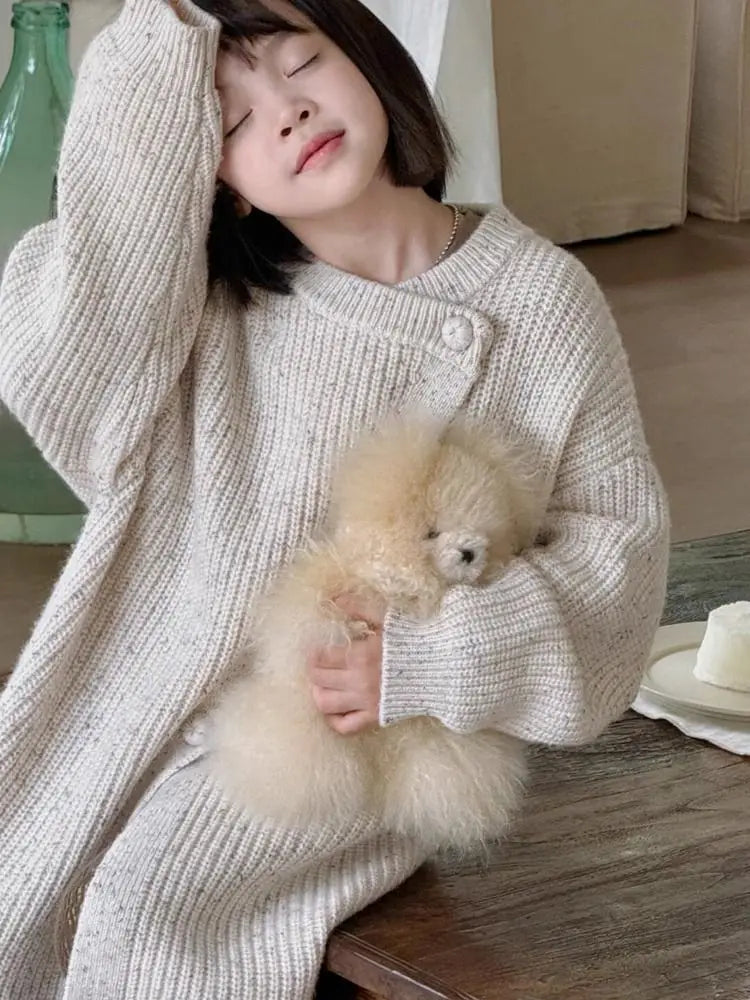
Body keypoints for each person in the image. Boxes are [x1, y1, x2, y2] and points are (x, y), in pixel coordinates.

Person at [0, 0, 670, 996]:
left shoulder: (540, 304)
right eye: (232, 118)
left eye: (303, 62)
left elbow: (618, 564)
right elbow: (78, 339)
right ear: (214, 181)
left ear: (366, 57)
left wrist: (430, 659)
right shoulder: (198, 310)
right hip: (134, 684)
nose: (287, 112)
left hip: (344, 739)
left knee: (150, 909)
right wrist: (160, 25)